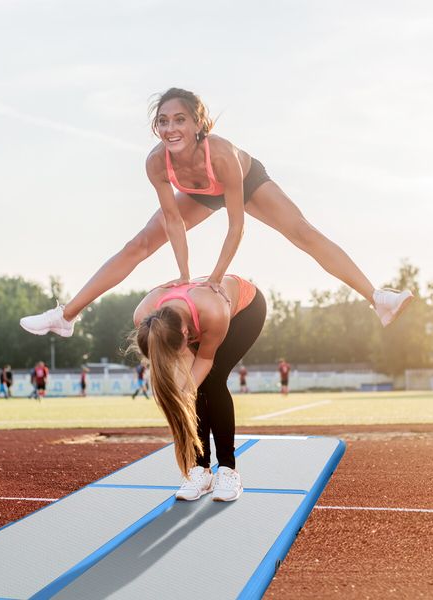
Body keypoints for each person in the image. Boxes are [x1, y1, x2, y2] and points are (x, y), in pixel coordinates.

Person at [20, 88, 413, 338]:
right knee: (138, 244)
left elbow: (236, 224)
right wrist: (186, 275)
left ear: (197, 124)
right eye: (162, 121)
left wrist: (217, 278)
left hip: (243, 181)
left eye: (180, 119)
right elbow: (174, 221)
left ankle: (377, 297)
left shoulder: (220, 153)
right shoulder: (156, 163)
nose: (170, 128)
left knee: (301, 232)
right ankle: (65, 316)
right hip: (202, 192)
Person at [129, 274, 266, 503]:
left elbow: (204, 360)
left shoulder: (213, 311)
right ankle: (200, 470)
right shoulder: (144, 317)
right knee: (196, 386)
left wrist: (183, 392)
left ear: (186, 334)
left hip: (246, 309)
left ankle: (228, 470)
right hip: (191, 315)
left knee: (213, 379)